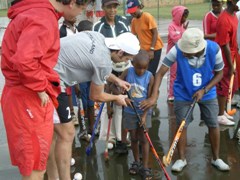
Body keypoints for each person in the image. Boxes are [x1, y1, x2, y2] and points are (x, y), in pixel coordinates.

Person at [0, 0, 85, 179]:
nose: (80, 13)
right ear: (72, 3)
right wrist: (39, 87)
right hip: (27, 97)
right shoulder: (43, 18)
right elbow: (25, 60)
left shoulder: (37, 11)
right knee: (35, 170)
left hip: (22, 94)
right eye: (82, 8)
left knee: (37, 161)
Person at [47, 31, 140, 180]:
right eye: (127, 58)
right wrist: (117, 97)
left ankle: (54, 177)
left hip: (45, 66)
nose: (124, 63)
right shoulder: (103, 61)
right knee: (67, 133)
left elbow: (96, 66)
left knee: (52, 135)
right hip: (52, 80)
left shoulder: (98, 37)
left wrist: (117, 81)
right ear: (121, 51)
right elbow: (96, 96)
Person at [142, 28, 230, 172]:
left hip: (207, 92)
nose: (183, 52)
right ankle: (181, 159)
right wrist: (153, 96)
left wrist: (205, 90)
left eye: (187, 51)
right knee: (181, 124)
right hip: (183, 92)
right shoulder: (177, 49)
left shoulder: (214, 50)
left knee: (213, 123)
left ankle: (216, 158)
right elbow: (160, 73)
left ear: (197, 49)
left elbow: (219, 74)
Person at [93, 0, 131, 153]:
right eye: (109, 7)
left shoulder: (124, 22)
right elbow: (98, 51)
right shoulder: (98, 26)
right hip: (107, 69)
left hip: (124, 67)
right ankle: (110, 137)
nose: (113, 10)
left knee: (122, 101)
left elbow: (128, 44)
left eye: (115, 6)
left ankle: (122, 136)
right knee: (109, 102)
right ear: (103, 8)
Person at [120, 50, 154, 179]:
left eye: (144, 68)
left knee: (144, 140)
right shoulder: (127, 72)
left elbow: (151, 98)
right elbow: (114, 86)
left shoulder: (150, 76)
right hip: (129, 112)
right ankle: (136, 162)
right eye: (138, 68)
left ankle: (145, 167)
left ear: (148, 66)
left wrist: (145, 116)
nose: (141, 71)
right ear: (133, 63)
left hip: (144, 113)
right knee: (133, 138)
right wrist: (123, 97)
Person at [215, 0, 238, 126]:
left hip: (232, 55)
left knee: (230, 86)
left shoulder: (233, 15)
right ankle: (219, 115)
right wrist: (229, 65)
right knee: (223, 86)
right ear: (232, 2)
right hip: (224, 57)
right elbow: (225, 45)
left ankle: (223, 111)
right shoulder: (224, 20)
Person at [126, 0, 164, 76]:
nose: (132, 13)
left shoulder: (147, 17)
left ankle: (153, 87)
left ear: (139, 7)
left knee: (150, 73)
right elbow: (133, 36)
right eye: (130, 12)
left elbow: (155, 33)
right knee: (142, 71)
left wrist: (152, 50)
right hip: (143, 50)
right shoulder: (134, 21)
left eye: (133, 11)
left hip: (155, 48)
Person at [76, 20, 95, 139]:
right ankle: (83, 129)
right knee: (82, 105)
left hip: (91, 78)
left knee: (91, 104)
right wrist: (76, 84)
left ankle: (92, 128)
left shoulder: (94, 43)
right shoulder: (76, 45)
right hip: (80, 79)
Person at [167, 6, 189, 102]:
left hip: (182, 54)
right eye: (183, 16)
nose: (185, 19)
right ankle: (171, 94)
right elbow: (176, 40)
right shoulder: (171, 26)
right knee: (173, 74)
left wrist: (184, 30)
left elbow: (185, 39)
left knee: (182, 73)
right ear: (178, 16)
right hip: (173, 55)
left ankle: (180, 92)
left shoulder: (182, 27)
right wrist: (183, 33)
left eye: (186, 17)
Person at [59, 17, 79, 125]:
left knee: (74, 89)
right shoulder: (61, 30)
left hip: (76, 64)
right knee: (67, 90)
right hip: (64, 65)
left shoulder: (76, 28)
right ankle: (71, 114)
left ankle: (75, 113)